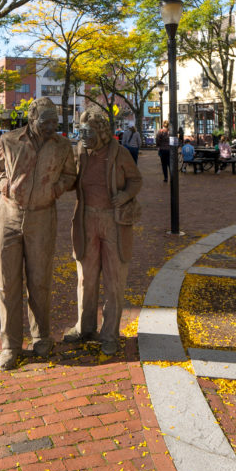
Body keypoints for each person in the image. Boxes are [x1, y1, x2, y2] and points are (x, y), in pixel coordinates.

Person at [0, 98, 77, 371]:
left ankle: (41, 337)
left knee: (40, 280)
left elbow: (70, 175)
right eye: (45, 120)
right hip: (8, 217)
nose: (51, 126)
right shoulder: (9, 140)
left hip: (43, 216)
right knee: (6, 282)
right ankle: (10, 345)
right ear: (31, 117)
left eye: (54, 121)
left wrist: (55, 189)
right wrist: (6, 186)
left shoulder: (61, 146)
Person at [64, 107, 142, 356]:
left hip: (113, 222)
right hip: (86, 220)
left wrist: (126, 195)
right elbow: (69, 179)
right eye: (81, 131)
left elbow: (136, 180)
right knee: (85, 278)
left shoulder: (119, 153)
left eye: (87, 132)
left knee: (113, 279)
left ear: (101, 132)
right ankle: (84, 327)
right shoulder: (79, 152)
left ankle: (109, 333)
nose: (83, 136)